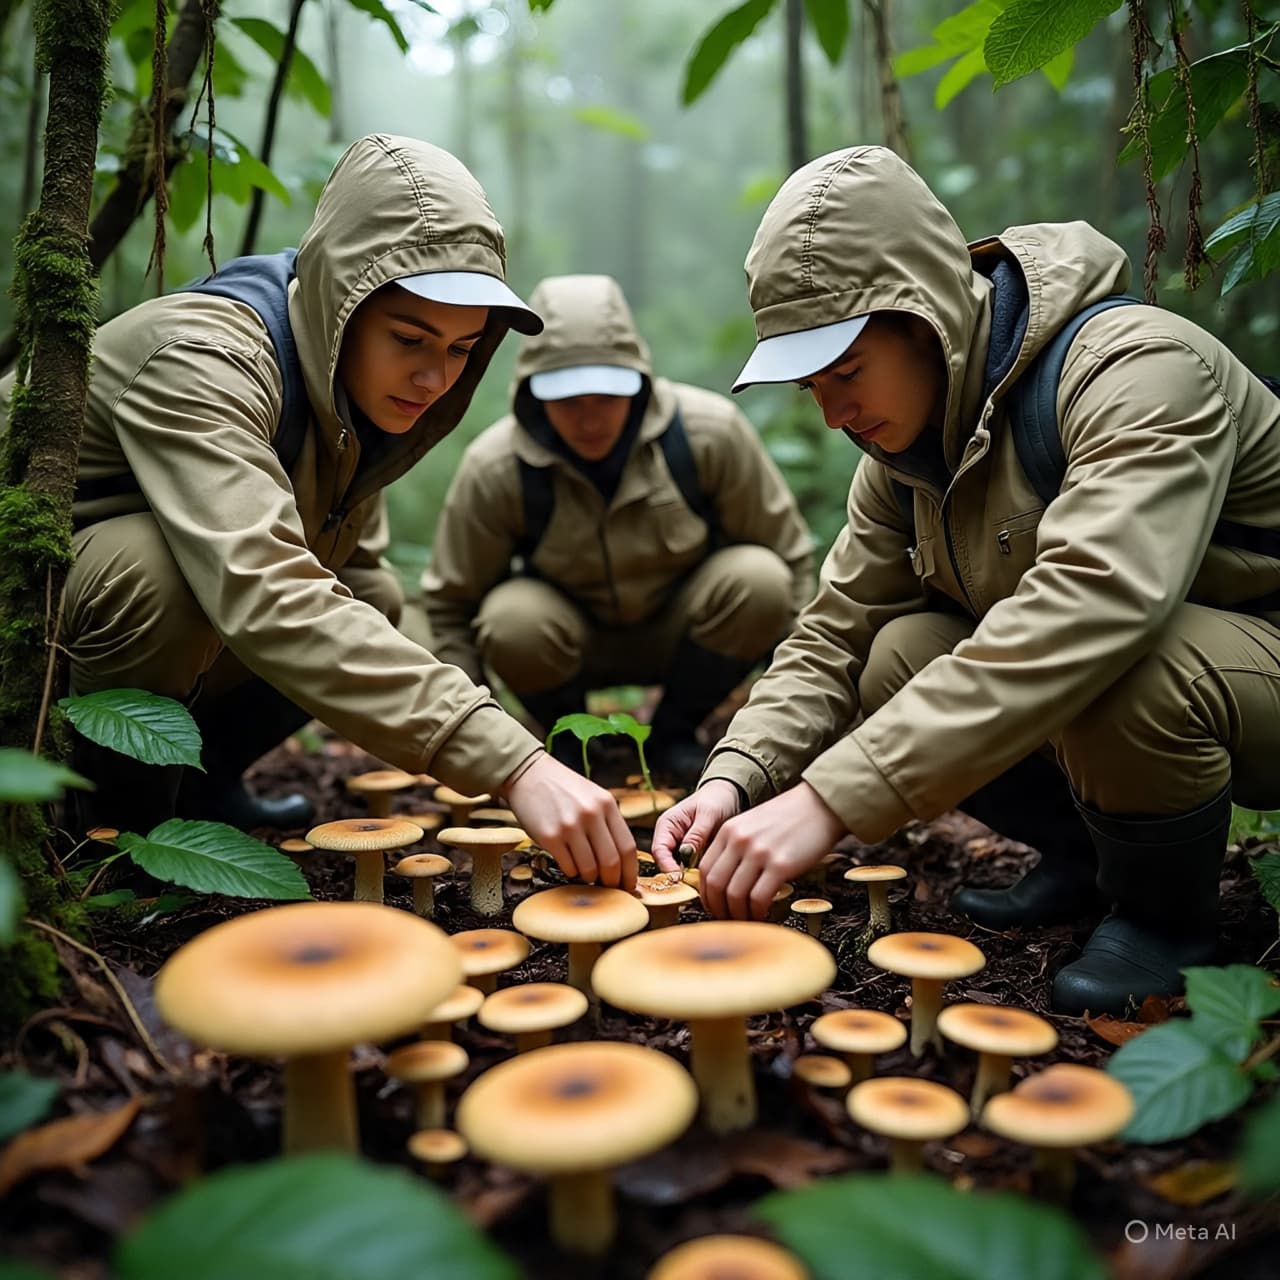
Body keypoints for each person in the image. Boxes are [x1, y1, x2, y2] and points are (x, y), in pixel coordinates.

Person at [652, 145, 1280, 1015]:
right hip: (1170, 674)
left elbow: (1094, 608)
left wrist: (832, 801)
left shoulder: (1137, 369)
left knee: (1130, 666)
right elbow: (834, 632)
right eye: (809, 385)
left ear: (929, 319)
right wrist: (736, 776)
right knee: (897, 651)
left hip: (1248, 668)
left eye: (844, 372)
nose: (832, 414)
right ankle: (1089, 863)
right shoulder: (901, 457)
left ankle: (1166, 919)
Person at [0, 134, 636, 891]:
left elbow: (352, 586)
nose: (435, 376)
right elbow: (265, 589)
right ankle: (115, 840)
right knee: (160, 576)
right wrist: (513, 761)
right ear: (342, 304)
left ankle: (200, 788)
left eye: (464, 349)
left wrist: (475, 722)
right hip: (22, 630)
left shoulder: (353, 404)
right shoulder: (204, 360)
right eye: (409, 338)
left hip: (80, 627)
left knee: (374, 595)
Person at [419, 273, 815, 783]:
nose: (589, 419)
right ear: (533, 396)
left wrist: (796, 708)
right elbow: (451, 607)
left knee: (762, 579)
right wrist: (480, 742)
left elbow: (791, 559)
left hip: (687, 633)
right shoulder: (497, 467)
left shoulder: (709, 434)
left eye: (606, 395)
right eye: (567, 400)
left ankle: (675, 733)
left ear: (640, 383)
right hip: (566, 644)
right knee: (508, 619)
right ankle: (572, 745)